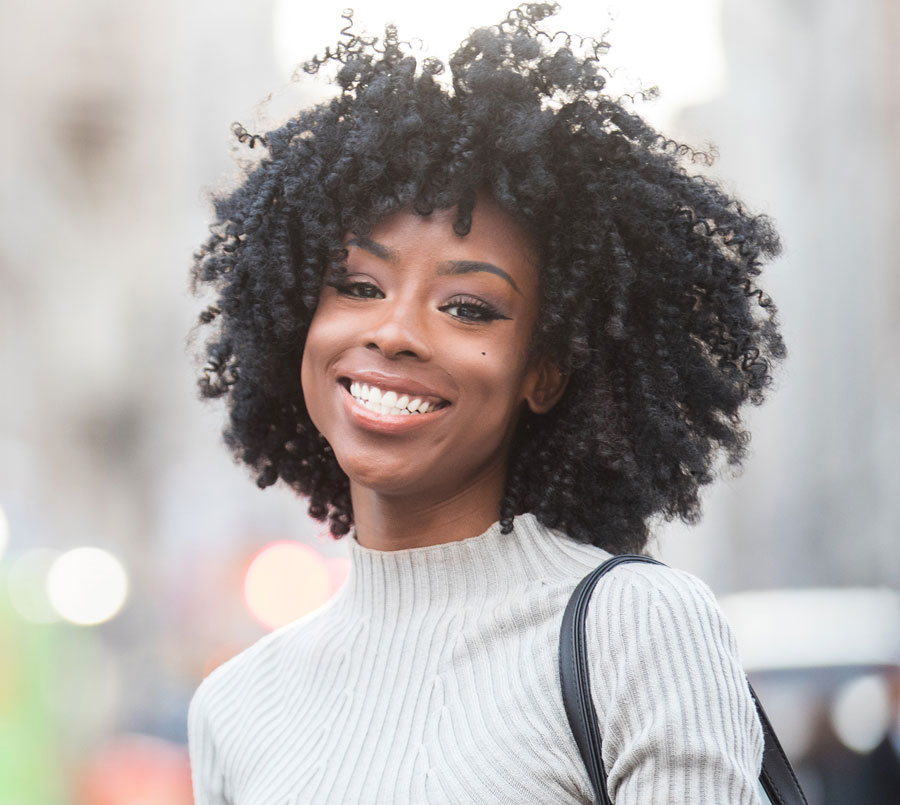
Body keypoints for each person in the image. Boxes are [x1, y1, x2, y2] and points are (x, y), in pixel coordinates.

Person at [187, 4, 785, 802]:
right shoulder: (233, 706)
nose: (394, 331)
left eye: (469, 307)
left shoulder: (635, 627)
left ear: (543, 370)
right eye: (359, 286)